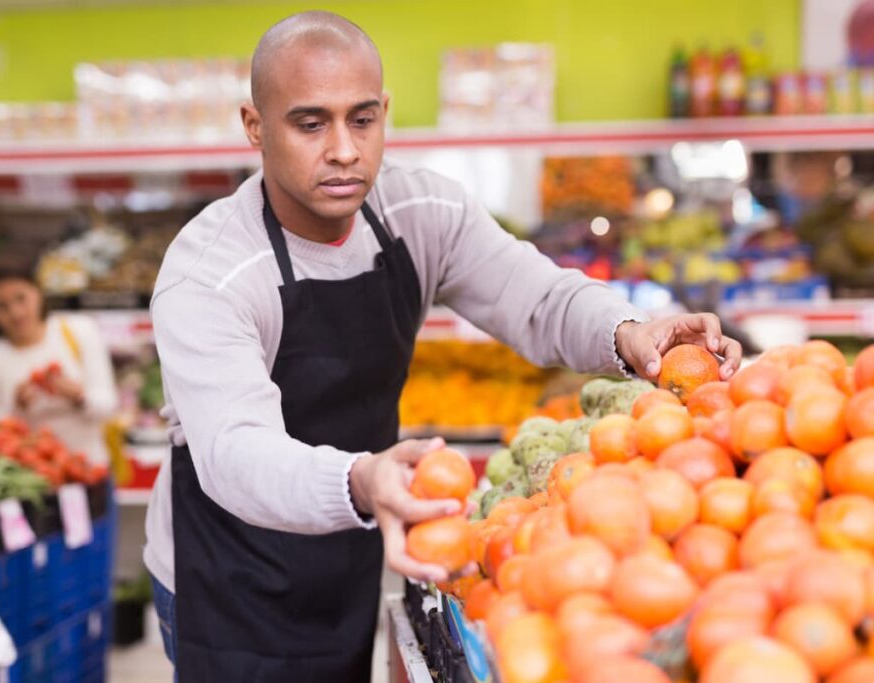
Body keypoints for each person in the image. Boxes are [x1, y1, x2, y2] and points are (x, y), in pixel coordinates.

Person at [144, 11, 743, 682]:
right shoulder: (212, 272)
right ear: (255, 126)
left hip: (355, 535)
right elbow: (233, 453)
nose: (344, 148)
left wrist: (627, 331)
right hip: (227, 574)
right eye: (310, 124)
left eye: (362, 119)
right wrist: (359, 478)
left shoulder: (419, 211)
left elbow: (537, 295)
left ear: (384, 112)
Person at [0, 267, 119, 465]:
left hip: (87, 466)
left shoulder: (79, 331)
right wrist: (16, 408)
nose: (15, 312)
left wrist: (79, 397)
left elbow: (108, 406)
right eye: (1, 306)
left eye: (21, 298)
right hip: (24, 472)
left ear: (38, 293)